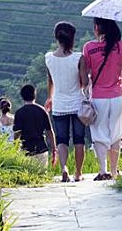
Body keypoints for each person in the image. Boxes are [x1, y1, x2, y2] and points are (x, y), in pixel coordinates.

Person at [83, 17, 122, 180]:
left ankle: (102, 171)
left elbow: (86, 72)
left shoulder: (89, 47)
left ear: (98, 28)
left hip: (98, 97)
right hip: (118, 96)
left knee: (99, 133)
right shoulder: (120, 46)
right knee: (116, 132)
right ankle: (114, 171)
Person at [44, 21, 88, 182]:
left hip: (59, 104)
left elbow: (50, 80)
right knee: (79, 139)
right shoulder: (78, 58)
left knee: (62, 139)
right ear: (72, 38)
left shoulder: (48, 58)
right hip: (77, 103)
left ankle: (64, 169)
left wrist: (50, 97)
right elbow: (84, 82)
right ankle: (78, 173)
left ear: (56, 37)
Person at [13, 84, 58, 167]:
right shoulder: (42, 111)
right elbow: (50, 131)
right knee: (42, 176)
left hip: (25, 150)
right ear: (34, 95)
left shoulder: (19, 113)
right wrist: (54, 149)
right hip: (41, 149)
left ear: (22, 96)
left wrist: (15, 148)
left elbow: (17, 133)